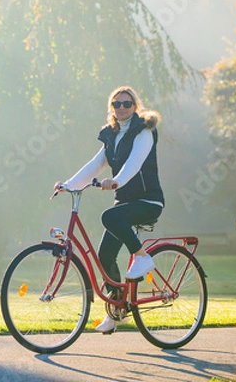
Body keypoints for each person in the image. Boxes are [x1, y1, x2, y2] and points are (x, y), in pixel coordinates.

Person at [53, 86, 164, 333]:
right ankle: (117, 311)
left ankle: (143, 258)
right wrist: (68, 185)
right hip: (124, 204)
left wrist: (116, 181)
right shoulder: (111, 136)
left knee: (108, 216)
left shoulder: (143, 131)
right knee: (104, 257)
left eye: (126, 104)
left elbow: (134, 163)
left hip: (148, 201)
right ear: (111, 109)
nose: (121, 108)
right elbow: (95, 165)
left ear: (135, 107)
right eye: (116, 104)